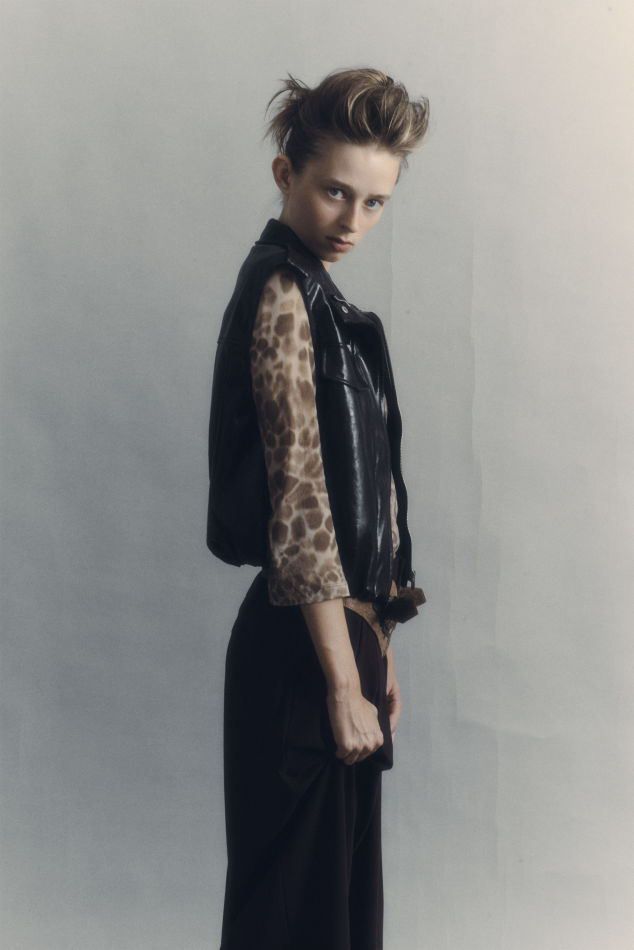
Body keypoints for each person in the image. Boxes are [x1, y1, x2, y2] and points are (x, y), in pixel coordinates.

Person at [206, 67, 429, 950]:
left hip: (345, 636)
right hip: (302, 651)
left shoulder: (326, 303)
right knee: (295, 920)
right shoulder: (281, 292)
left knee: (336, 913)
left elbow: (366, 498)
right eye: (336, 191)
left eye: (375, 202)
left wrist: (380, 639)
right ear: (285, 174)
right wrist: (342, 680)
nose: (352, 222)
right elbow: (299, 503)